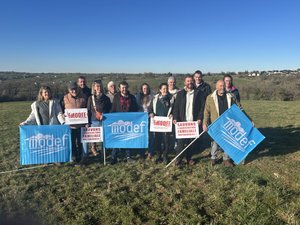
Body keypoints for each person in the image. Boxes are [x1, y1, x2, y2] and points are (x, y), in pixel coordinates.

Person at [173, 75, 206, 166]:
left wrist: (199, 118)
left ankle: (189, 158)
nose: (189, 83)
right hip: (182, 122)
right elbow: (176, 107)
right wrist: (175, 118)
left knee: (191, 142)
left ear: (193, 82)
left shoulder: (199, 93)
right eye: (187, 81)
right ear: (185, 82)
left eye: (191, 81)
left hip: (193, 122)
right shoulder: (180, 94)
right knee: (181, 142)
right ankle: (178, 159)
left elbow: (202, 108)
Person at [202, 80, 236, 167]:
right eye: (220, 86)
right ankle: (213, 157)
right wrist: (204, 123)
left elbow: (237, 109)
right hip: (216, 123)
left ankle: (226, 159)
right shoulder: (210, 97)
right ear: (216, 87)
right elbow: (206, 112)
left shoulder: (231, 96)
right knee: (215, 142)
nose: (222, 87)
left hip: (228, 123)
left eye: (223, 85)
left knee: (228, 141)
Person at [110, 81, 139, 164]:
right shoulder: (116, 97)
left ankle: (128, 156)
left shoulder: (132, 97)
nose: (124, 89)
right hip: (119, 122)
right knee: (117, 139)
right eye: (122, 87)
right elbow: (113, 108)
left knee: (128, 139)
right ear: (119, 88)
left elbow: (135, 109)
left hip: (129, 122)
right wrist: (109, 117)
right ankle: (113, 157)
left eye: (125, 87)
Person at [61, 82, 88, 163]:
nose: (74, 91)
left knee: (80, 142)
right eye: (72, 89)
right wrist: (63, 116)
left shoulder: (83, 97)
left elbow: (87, 109)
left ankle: (80, 156)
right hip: (70, 126)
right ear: (69, 90)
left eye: (75, 89)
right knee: (72, 142)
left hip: (81, 125)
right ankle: (73, 156)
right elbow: (61, 109)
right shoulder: (65, 98)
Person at [149, 83, 174, 164]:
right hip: (157, 124)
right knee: (157, 140)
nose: (165, 90)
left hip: (167, 124)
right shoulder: (155, 98)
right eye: (163, 88)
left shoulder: (172, 98)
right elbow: (150, 109)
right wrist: (151, 113)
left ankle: (165, 156)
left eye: (166, 88)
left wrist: (172, 114)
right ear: (160, 90)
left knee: (166, 141)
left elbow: (175, 108)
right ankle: (159, 155)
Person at [87, 80, 112, 156]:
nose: (99, 88)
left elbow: (109, 109)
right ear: (94, 87)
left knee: (103, 136)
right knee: (94, 137)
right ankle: (93, 148)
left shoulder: (106, 98)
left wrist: (104, 115)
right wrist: (87, 122)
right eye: (97, 86)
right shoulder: (90, 98)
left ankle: (103, 149)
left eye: (100, 86)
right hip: (94, 120)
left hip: (104, 120)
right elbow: (88, 110)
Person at [135, 83, 154, 159]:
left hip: (149, 119)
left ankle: (150, 151)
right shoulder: (138, 97)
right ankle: (141, 152)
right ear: (141, 89)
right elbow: (136, 108)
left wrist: (152, 113)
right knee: (141, 136)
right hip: (141, 120)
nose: (145, 90)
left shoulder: (152, 97)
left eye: (146, 88)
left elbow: (153, 108)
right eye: (144, 88)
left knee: (151, 136)